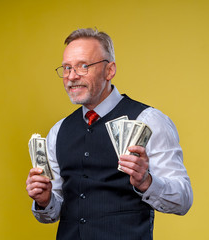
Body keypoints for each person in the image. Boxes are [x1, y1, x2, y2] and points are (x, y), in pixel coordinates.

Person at [26, 28, 193, 240]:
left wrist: (146, 182)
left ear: (110, 70)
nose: (71, 76)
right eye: (67, 68)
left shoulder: (148, 120)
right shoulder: (58, 131)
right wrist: (45, 200)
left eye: (83, 66)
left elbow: (183, 200)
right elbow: (52, 211)